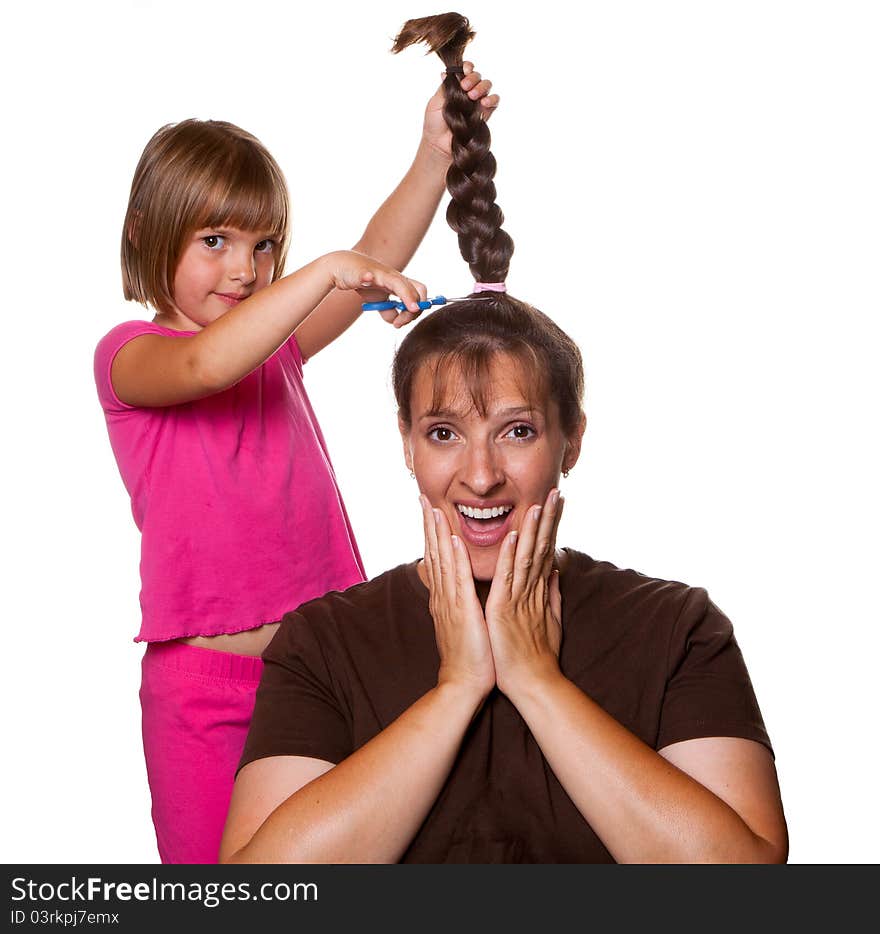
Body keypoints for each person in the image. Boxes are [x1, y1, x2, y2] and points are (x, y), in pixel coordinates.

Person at [218, 13, 787, 864]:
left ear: (572, 441)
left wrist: (536, 679)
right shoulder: (323, 643)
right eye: (444, 432)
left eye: (516, 431)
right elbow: (261, 892)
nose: (478, 476)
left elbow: (745, 888)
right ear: (406, 444)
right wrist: (457, 689)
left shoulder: (676, 628)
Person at [93, 49, 500, 863]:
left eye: (264, 246)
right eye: (216, 240)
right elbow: (210, 364)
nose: (245, 270)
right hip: (206, 700)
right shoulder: (131, 356)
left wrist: (433, 154)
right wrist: (325, 273)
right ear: (146, 232)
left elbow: (369, 259)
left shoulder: (274, 348)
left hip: (325, 675)